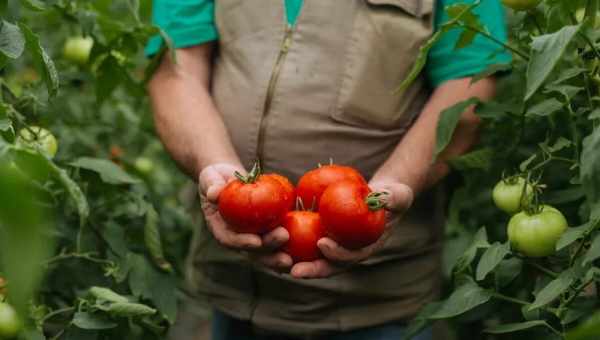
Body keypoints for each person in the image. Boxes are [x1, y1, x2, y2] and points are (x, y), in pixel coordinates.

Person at [146, 0, 510, 339]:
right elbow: (176, 69)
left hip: (380, 299)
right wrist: (215, 167)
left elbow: (469, 83)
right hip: (232, 288)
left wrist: (390, 187)